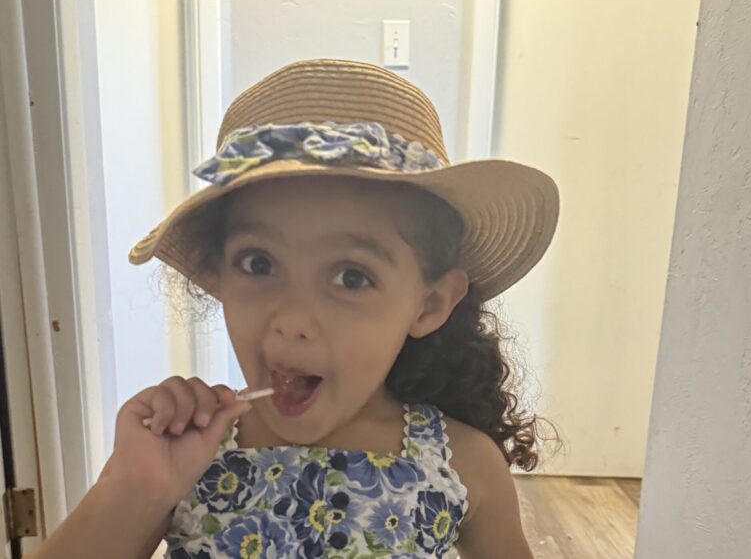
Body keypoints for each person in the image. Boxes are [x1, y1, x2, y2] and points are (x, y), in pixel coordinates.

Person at [29, 58, 560, 558]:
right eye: (259, 264)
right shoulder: (183, 457)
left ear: (430, 304)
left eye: (352, 277)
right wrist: (134, 487)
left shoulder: (460, 462)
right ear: (218, 274)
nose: (291, 320)